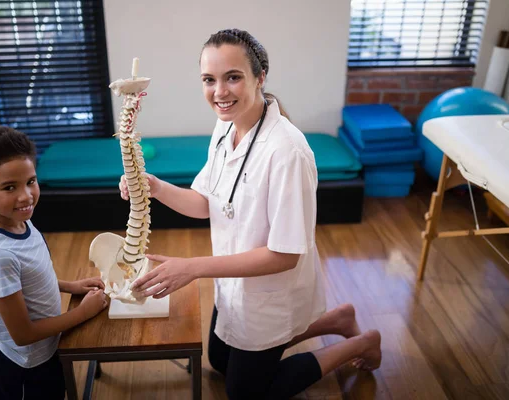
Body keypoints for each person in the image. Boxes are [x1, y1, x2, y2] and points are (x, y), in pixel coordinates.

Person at [120, 28, 381, 399]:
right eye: (209, 80)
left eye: (233, 78)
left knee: (245, 394)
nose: (219, 92)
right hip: (234, 282)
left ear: (260, 77)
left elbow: (285, 255)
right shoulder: (226, 126)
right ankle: (336, 320)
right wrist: (155, 187)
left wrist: (192, 268)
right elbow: (205, 202)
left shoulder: (287, 151)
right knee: (222, 363)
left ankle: (360, 343)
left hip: (271, 289)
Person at [0, 126, 108, 400]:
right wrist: (82, 313)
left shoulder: (19, 220)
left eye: (30, 181)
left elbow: (32, 277)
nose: (26, 195)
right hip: (24, 366)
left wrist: (69, 285)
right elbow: (23, 334)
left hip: (46, 349)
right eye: (9, 187)